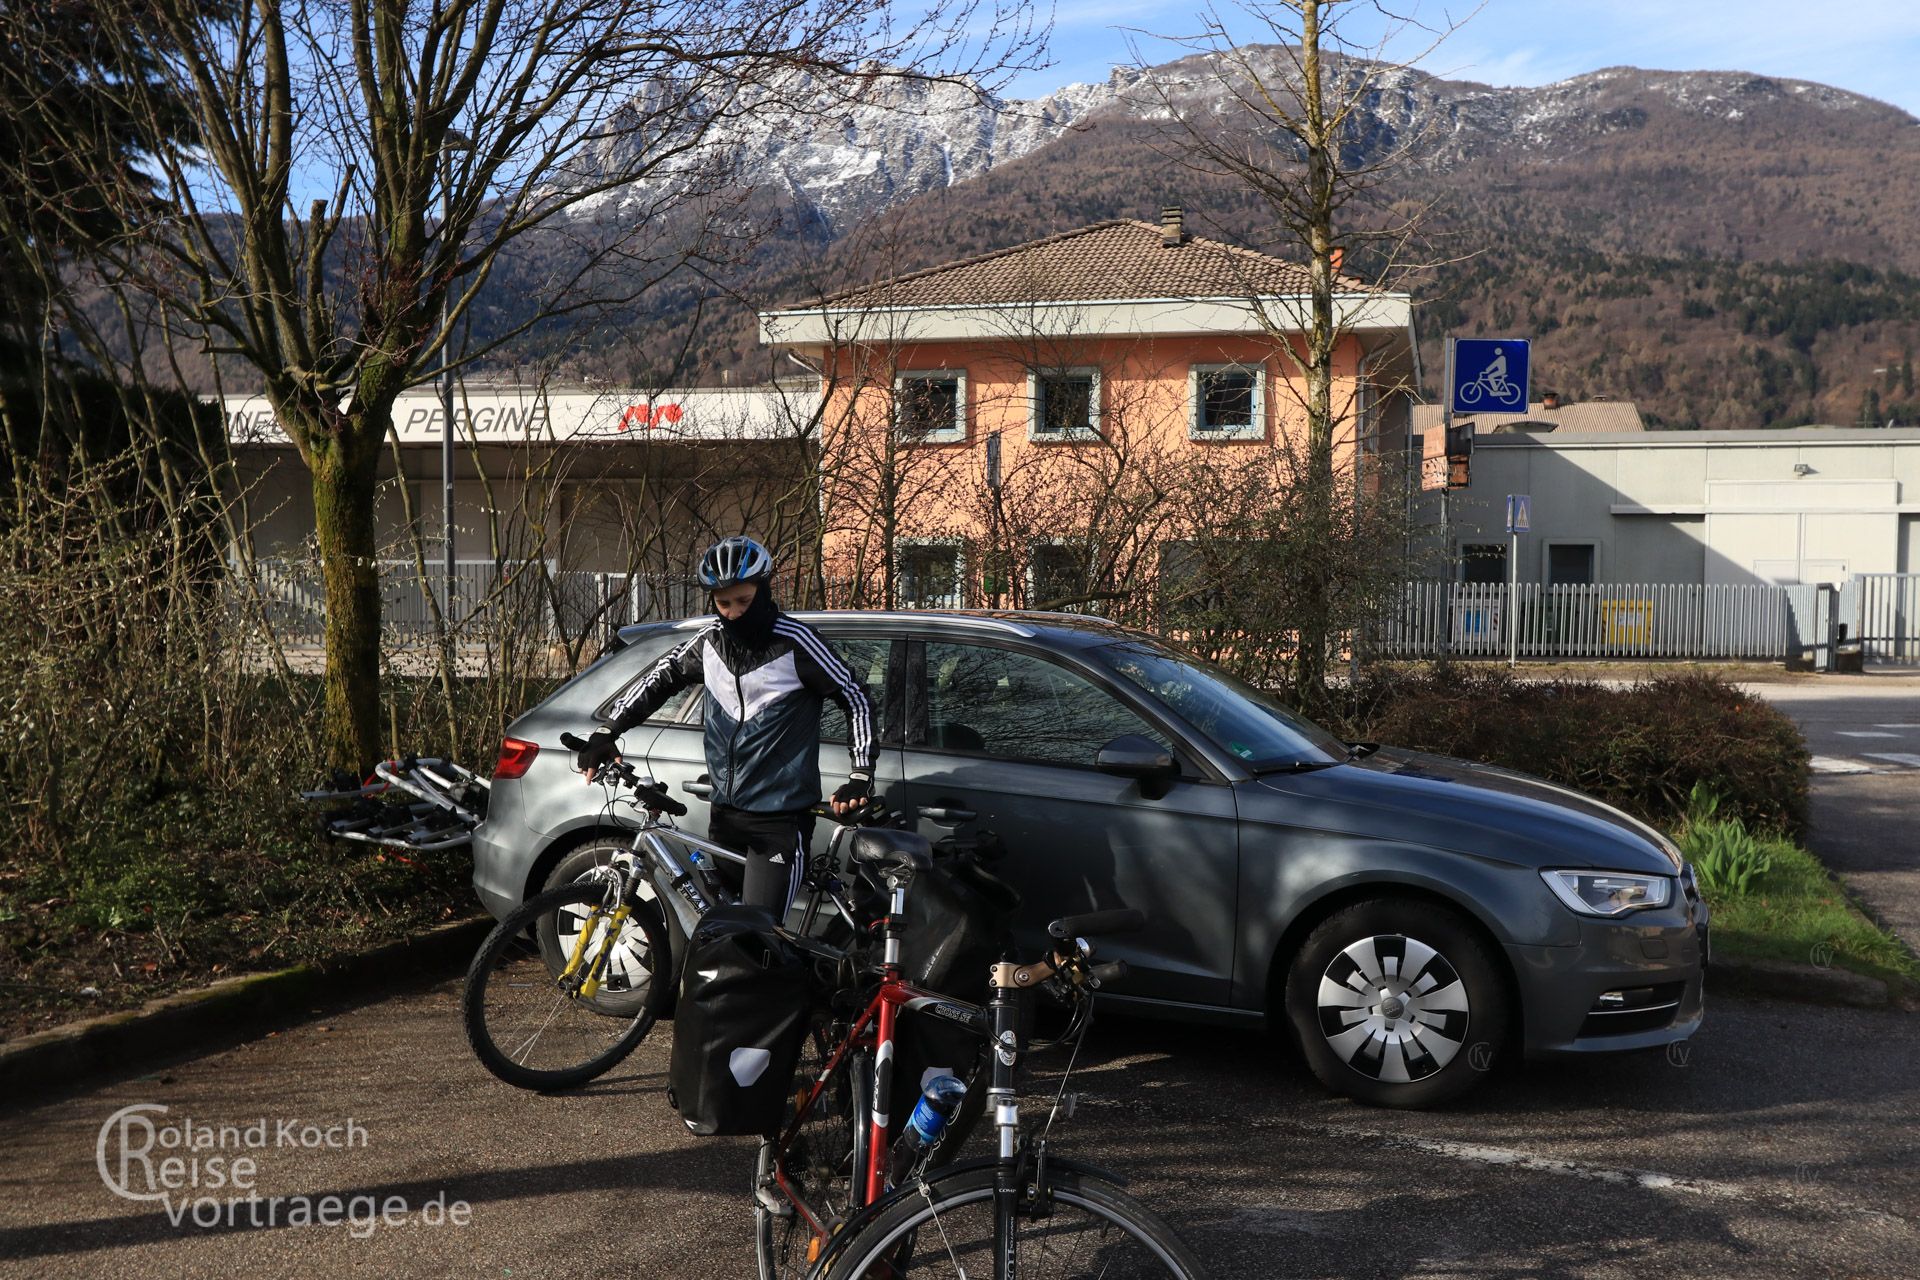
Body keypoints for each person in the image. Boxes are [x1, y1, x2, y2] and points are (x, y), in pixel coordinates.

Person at [573, 536, 875, 918]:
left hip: (778, 822)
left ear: (763, 592)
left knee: (759, 935)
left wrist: (860, 773)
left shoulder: (797, 643)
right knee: (721, 931)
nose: (733, 613)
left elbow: (856, 696)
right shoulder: (709, 643)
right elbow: (658, 681)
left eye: (744, 601)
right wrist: (607, 732)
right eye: (723, 603)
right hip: (725, 815)